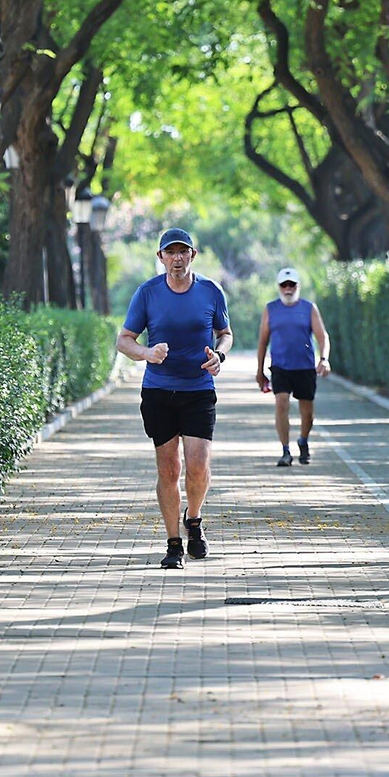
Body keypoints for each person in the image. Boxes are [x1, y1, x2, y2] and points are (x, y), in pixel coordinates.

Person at [116, 227, 233, 569]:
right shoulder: (147, 293)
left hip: (198, 390)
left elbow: (225, 333)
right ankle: (173, 544)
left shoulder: (211, 291)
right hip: (159, 392)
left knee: (198, 467)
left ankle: (193, 520)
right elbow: (124, 340)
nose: (177, 258)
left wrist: (220, 356)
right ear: (161, 257)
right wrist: (146, 353)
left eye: (184, 252)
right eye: (171, 252)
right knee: (169, 470)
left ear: (193, 256)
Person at [255, 267, 332, 466]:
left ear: (297, 286)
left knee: (307, 411)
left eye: (291, 285)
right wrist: (260, 370)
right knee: (281, 404)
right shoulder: (270, 309)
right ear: (279, 287)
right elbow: (263, 341)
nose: (288, 289)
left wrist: (323, 359)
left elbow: (322, 336)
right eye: (284, 285)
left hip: (304, 367)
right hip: (280, 366)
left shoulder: (309, 308)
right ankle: (286, 450)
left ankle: (303, 441)